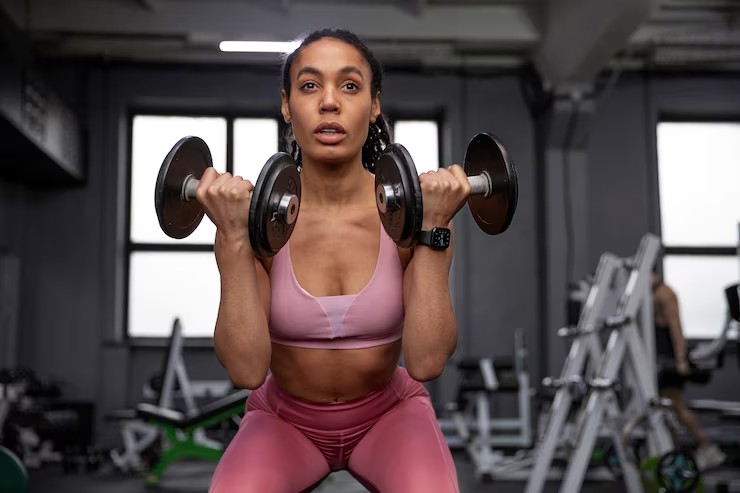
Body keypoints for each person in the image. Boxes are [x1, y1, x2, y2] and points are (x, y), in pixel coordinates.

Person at [198, 28, 466, 492]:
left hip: (388, 415)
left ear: (374, 104)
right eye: (308, 85)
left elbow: (426, 361)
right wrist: (234, 236)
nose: (328, 102)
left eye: (349, 85)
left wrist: (434, 227)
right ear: (286, 105)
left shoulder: (413, 216)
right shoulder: (257, 223)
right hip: (285, 420)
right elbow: (245, 371)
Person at [652, 271, 726, 471]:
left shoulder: (664, 294)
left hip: (669, 361)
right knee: (665, 409)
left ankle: (707, 447)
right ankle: (671, 452)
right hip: (659, 361)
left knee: (675, 405)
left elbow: (675, 326)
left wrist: (680, 360)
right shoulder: (651, 295)